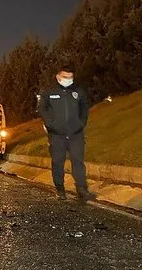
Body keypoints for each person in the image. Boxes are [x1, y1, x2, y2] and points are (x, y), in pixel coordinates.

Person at [38, 65, 96, 201]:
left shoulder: (78, 92)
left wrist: (81, 124)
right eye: (65, 77)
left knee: (78, 162)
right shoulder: (49, 91)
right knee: (58, 162)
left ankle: (82, 189)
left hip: (76, 134)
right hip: (57, 135)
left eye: (70, 77)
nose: (68, 80)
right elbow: (42, 108)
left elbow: (84, 109)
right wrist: (50, 124)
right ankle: (60, 189)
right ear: (58, 77)